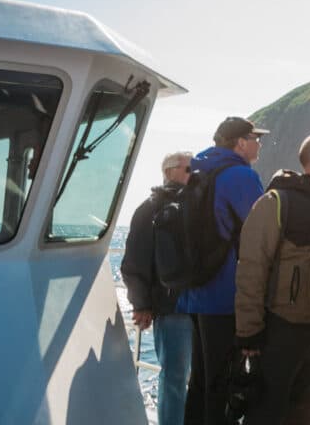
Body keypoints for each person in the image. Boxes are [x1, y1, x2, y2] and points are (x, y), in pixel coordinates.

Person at [234, 132, 310, 425]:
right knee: (267, 414)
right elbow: (252, 266)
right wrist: (249, 330)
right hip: (280, 329)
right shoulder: (275, 203)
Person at [180, 117, 268, 425]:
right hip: (225, 292)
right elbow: (261, 232)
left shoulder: (198, 171)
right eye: (256, 138)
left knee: (201, 380)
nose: (259, 143)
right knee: (224, 382)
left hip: (194, 291)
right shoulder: (240, 176)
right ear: (240, 143)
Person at [122, 151, 194, 425]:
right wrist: (141, 304)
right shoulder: (149, 209)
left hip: (197, 306)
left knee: (185, 378)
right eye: (189, 169)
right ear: (170, 171)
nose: (194, 174)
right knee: (174, 377)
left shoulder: (196, 207)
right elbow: (134, 262)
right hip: (171, 307)